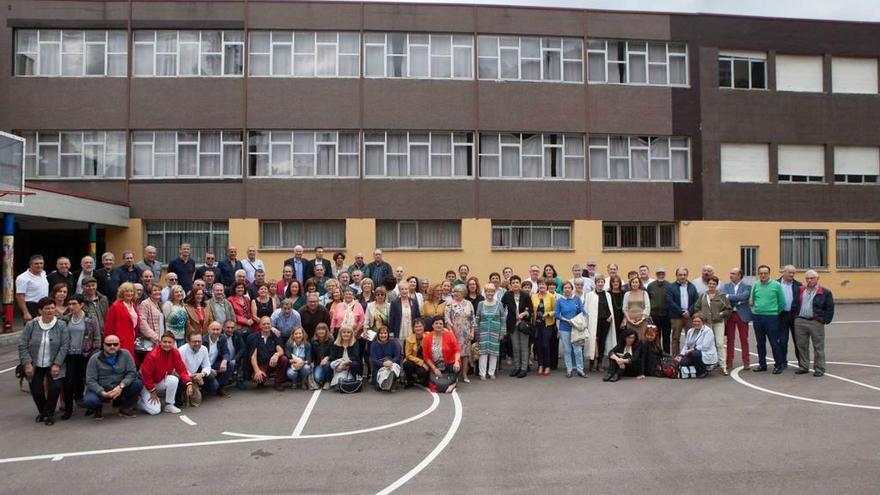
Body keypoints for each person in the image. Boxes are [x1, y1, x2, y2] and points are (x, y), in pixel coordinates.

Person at [18, 298, 70, 425]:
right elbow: (22, 345)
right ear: (40, 311)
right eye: (47, 308)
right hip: (35, 364)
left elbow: (65, 346)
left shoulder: (61, 325)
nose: (50, 310)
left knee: (55, 388)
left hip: (54, 363)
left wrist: (57, 364)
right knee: (36, 390)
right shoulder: (31, 325)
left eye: (52, 308)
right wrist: (27, 364)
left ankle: (49, 414)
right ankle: (43, 412)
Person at [83, 334, 143, 420]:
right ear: (103, 345)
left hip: (120, 387)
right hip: (102, 388)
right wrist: (102, 392)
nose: (112, 346)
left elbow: (132, 373)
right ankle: (97, 408)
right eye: (108, 344)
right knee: (89, 400)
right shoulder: (94, 358)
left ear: (119, 345)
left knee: (137, 383)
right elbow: (90, 380)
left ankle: (125, 407)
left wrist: (121, 386)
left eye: (115, 344)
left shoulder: (126, 354)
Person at [60, 294, 100, 419]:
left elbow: (97, 337)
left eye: (74, 304)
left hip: (87, 354)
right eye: (69, 304)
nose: (71, 307)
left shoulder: (90, 318)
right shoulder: (66, 319)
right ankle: (68, 409)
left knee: (89, 380)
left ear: (81, 305)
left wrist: (94, 354)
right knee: (68, 382)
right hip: (71, 355)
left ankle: (91, 406)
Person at [138, 331, 194, 414]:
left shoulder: (175, 353)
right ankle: (139, 402)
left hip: (158, 380)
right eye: (164, 342)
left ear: (173, 343)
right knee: (155, 411)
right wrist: (152, 391)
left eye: (169, 342)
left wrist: (189, 383)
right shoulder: (152, 356)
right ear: (160, 342)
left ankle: (169, 405)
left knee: (174, 379)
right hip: (146, 384)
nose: (167, 344)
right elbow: (146, 375)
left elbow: (182, 369)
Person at [793, 270, 834, 377]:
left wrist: (825, 320)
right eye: (807, 278)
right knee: (801, 345)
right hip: (800, 321)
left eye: (812, 278)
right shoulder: (801, 290)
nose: (809, 280)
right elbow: (795, 303)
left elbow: (830, 308)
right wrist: (795, 317)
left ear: (817, 278)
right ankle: (803, 366)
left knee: (818, 346)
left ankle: (819, 368)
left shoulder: (825, 292)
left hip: (816, 322)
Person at [750, 265, 786, 374]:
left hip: (772, 317)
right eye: (761, 273)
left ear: (769, 274)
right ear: (758, 274)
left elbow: (782, 302)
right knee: (760, 343)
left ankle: (778, 365)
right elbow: (752, 300)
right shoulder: (756, 285)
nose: (763, 275)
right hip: (758, 317)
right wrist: (756, 311)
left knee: (774, 342)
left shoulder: (776, 285)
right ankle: (762, 364)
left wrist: (774, 312)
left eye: (765, 273)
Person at [693, 275, 732, 375]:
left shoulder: (722, 296)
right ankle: (710, 364)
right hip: (706, 323)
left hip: (718, 323)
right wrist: (701, 315)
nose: (712, 285)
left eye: (714, 284)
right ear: (707, 284)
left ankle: (723, 365)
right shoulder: (703, 295)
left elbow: (728, 309)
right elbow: (697, 307)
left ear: (716, 285)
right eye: (710, 283)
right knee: (708, 344)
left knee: (719, 344)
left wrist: (721, 314)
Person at [721, 267, 752, 372]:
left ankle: (746, 362)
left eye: (733, 273)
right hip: (730, 314)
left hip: (742, 315)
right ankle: (729, 361)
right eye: (730, 273)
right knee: (730, 339)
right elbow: (724, 298)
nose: (731, 275)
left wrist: (730, 297)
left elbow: (745, 296)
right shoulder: (726, 286)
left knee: (744, 339)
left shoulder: (747, 286)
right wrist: (737, 299)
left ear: (739, 275)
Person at [474, 283, 507, 380]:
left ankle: (491, 372)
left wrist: (502, 332)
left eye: (492, 291)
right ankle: (482, 373)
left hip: (495, 331)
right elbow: (477, 319)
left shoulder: (499, 304)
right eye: (488, 291)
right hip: (483, 332)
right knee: (483, 353)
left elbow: (503, 319)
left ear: (494, 292)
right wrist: (477, 332)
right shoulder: (480, 304)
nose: (490, 293)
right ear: (485, 292)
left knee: (494, 353)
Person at [501, 276, 532, 378]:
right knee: (515, 347)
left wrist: (523, 314)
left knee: (524, 347)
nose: (515, 284)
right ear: (510, 285)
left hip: (523, 324)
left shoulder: (525, 295)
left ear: (520, 284)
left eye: (517, 282)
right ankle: (516, 367)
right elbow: (501, 307)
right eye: (513, 282)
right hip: (512, 324)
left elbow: (530, 310)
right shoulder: (507, 295)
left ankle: (523, 368)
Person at [247, 317, 289, 391]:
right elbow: (253, 357)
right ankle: (261, 381)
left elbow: (281, 350)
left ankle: (278, 382)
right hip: (261, 364)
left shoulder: (275, 336)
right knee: (259, 378)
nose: (266, 326)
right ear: (260, 326)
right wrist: (257, 371)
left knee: (283, 359)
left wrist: (276, 355)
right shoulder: (254, 337)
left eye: (268, 324)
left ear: (271, 325)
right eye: (264, 324)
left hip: (272, 363)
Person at [555, 281, 587, 378]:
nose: (567, 289)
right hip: (564, 328)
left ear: (571, 289)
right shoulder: (560, 301)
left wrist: (579, 318)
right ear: (563, 289)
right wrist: (566, 320)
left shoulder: (577, 299)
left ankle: (580, 370)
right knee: (567, 350)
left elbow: (583, 311)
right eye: (565, 288)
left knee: (577, 350)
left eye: (569, 288)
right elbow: (556, 314)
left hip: (576, 328)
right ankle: (569, 370)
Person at [586, 274, 616, 373]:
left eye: (602, 282)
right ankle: (591, 363)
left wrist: (611, 316)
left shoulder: (607, 294)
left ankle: (599, 363)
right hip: (594, 322)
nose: (600, 284)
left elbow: (610, 307)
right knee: (593, 341)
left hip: (605, 322)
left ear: (604, 283)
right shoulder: (590, 295)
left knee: (602, 342)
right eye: (598, 282)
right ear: (595, 283)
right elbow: (587, 309)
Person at [445, 284, 476, 382]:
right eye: (454, 292)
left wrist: (472, 332)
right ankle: (456, 375)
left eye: (458, 292)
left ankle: (465, 375)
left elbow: (472, 319)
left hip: (466, 333)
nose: (455, 293)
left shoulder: (469, 304)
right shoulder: (449, 304)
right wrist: (451, 332)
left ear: (463, 293)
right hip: (454, 333)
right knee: (455, 353)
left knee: (465, 355)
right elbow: (447, 319)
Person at [423, 316, 461, 393]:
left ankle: (453, 381)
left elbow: (457, 350)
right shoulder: (427, 338)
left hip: (449, 363)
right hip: (435, 365)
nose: (438, 325)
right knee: (434, 384)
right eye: (436, 323)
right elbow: (426, 357)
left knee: (456, 367)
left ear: (443, 325)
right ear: (432, 325)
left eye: (441, 323)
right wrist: (434, 369)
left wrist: (456, 361)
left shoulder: (450, 335)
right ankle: (445, 383)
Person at [178, 332, 218, 406]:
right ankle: (181, 397)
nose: (197, 343)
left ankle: (200, 391)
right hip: (183, 376)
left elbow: (207, 366)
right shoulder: (181, 350)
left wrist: (201, 374)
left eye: (199, 341)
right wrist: (191, 376)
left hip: (197, 375)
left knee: (214, 384)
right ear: (188, 341)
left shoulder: (204, 349)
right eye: (194, 341)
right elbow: (180, 369)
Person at [666, 267, 697, 358]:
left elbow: (696, 301)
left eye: (684, 275)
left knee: (691, 338)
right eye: (680, 275)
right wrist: (681, 312)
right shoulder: (671, 287)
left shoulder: (692, 286)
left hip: (689, 316)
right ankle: (676, 357)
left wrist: (689, 311)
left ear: (687, 275)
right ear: (676, 276)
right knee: (675, 338)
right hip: (676, 316)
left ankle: (689, 357)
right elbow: (670, 301)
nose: (682, 277)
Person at [105, 282, 141, 359]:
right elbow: (109, 326)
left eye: (131, 291)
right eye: (127, 291)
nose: (129, 293)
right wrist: (110, 343)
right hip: (119, 341)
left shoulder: (133, 306)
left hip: (131, 339)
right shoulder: (115, 306)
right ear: (122, 293)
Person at [675, 314, 718, 378]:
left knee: (695, 353)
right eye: (694, 321)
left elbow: (705, 347)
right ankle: (696, 367)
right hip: (692, 354)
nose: (696, 323)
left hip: (705, 353)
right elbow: (686, 345)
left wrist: (692, 349)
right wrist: (681, 355)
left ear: (702, 322)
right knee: (682, 362)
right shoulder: (690, 331)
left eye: (698, 321)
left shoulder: (708, 331)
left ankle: (703, 371)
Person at [778, 265, 803, 368]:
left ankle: (801, 362)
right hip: (781, 315)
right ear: (783, 272)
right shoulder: (776, 284)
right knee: (782, 340)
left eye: (793, 273)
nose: (792, 275)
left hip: (794, 316)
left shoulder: (799, 285)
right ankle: (783, 362)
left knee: (798, 340)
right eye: (790, 272)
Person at [531, 279, 556, 376]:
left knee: (545, 345)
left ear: (547, 286)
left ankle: (547, 366)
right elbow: (531, 310)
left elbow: (556, 311)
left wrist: (549, 313)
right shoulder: (533, 297)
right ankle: (540, 365)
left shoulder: (551, 297)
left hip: (547, 324)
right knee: (539, 346)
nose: (541, 286)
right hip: (537, 325)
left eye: (543, 285)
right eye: (540, 284)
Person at [15, 254, 49, 322]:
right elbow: (19, 296)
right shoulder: (22, 278)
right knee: (32, 330)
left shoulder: (43, 273)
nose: (39, 265)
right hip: (31, 306)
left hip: (44, 305)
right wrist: (26, 313)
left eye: (41, 263)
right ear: (30, 265)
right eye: (36, 264)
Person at [646, 268, 672, 353]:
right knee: (655, 336)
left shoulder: (669, 285)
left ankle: (666, 354)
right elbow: (648, 299)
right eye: (659, 274)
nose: (661, 275)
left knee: (666, 337)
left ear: (664, 275)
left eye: (662, 274)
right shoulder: (651, 286)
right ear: (656, 275)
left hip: (666, 315)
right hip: (654, 315)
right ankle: (656, 353)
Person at [204, 321, 233, 395]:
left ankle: (220, 387)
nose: (215, 332)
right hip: (203, 368)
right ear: (208, 330)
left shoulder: (222, 338)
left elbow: (226, 351)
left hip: (214, 364)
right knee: (213, 386)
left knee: (230, 364)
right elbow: (199, 361)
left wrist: (224, 361)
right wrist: (209, 369)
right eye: (213, 329)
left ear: (221, 330)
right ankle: (207, 387)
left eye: (218, 329)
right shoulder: (203, 341)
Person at [371, 326, 401, 391]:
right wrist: (383, 364)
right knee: (378, 387)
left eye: (385, 333)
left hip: (391, 364)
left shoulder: (393, 342)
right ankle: (387, 383)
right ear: (378, 334)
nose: (383, 335)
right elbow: (374, 360)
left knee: (392, 369)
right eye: (381, 333)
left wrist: (391, 362)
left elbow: (397, 356)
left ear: (388, 334)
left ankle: (392, 381)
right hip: (379, 366)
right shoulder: (374, 344)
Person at [622, 276, 651, 341]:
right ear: (630, 283)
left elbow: (647, 307)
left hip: (642, 322)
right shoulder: (627, 294)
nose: (635, 284)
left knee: (642, 339)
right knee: (631, 340)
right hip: (630, 322)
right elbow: (625, 308)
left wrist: (641, 319)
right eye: (633, 282)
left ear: (639, 284)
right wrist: (629, 320)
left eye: (636, 282)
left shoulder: (644, 293)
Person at [403, 319, 430, 388]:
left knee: (422, 373)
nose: (418, 328)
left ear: (424, 327)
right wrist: (421, 363)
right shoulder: (408, 339)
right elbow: (408, 355)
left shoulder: (428, 336)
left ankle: (422, 380)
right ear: (413, 328)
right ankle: (409, 380)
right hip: (413, 360)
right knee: (406, 364)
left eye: (420, 326)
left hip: (425, 360)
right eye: (416, 327)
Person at [310, 323, 334, 390]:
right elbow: (312, 353)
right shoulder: (313, 341)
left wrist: (327, 358)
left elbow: (333, 353)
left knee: (326, 365)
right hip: (318, 363)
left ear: (326, 330)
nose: (321, 331)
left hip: (328, 362)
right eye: (319, 329)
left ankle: (328, 381)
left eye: (323, 329)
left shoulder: (331, 340)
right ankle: (323, 379)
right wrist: (311, 361)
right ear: (316, 331)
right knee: (318, 378)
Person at [607, 275, 625, 340]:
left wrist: (624, 320)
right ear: (611, 283)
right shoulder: (608, 294)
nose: (615, 283)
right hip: (612, 318)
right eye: (613, 282)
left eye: (617, 281)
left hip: (622, 318)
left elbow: (627, 307)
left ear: (620, 283)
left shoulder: (624, 293)